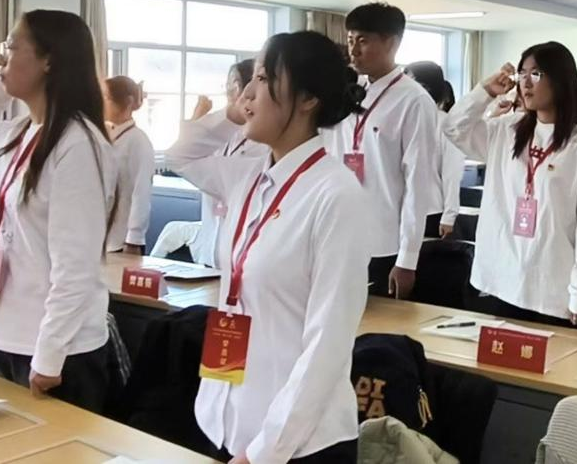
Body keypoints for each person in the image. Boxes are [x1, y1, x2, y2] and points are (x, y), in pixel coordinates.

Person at [165, 31, 376, 464]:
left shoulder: (336, 195)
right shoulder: (248, 176)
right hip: (225, 417)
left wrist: (266, 450)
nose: (248, 93)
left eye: (263, 79)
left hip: (296, 444)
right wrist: (231, 113)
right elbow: (181, 155)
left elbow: (328, 343)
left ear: (307, 99)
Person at [0, 10, 117, 412]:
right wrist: (3, 73)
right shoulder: (18, 132)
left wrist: (49, 354)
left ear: (49, 60)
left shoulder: (77, 143)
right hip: (5, 333)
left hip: (57, 352)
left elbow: (76, 265)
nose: (2, 58)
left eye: (12, 47)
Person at [445, 42, 577, 330]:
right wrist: (485, 91)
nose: (525, 83)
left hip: (555, 294)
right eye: (522, 74)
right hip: (504, 285)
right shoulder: (508, 130)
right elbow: (453, 128)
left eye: (536, 74)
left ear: (560, 79)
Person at [326, 2, 440, 299]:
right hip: (338, 237)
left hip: (384, 244)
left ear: (391, 43)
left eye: (363, 41)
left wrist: (407, 260)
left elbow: (418, 182)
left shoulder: (414, 100)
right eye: (350, 40)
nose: (354, 50)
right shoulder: (349, 92)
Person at [151, 60, 266, 266]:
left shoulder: (263, 145)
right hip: (211, 249)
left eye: (234, 85)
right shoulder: (223, 132)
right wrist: (206, 116)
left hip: (243, 254)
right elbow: (179, 155)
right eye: (228, 86)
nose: (230, 92)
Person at [406, 61, 464, 239]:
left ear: (426, 88)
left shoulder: (445, 123)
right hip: (401, 211)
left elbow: (452, 173)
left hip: (431, 213)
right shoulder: (402, 120)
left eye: (409, 83)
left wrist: (449, 215)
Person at [102, 76, 155, 254]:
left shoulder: (138, 141)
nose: (101, 103)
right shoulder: (103, 136)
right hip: (101, 238)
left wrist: (134, 238)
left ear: (127, 102)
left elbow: (141, 192)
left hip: (122, 240)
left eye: (106, 98)